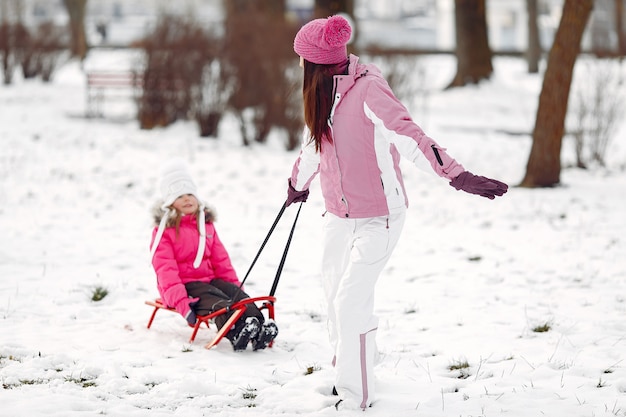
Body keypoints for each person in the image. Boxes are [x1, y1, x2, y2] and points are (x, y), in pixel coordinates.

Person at [285, 15, 508, 410]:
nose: (298, 64)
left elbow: (409, 137)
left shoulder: (368, 89)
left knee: (350, 301)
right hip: (337, 216)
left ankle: (354, 397)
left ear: (317, 61)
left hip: (380, 216)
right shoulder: (323, 95)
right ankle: (351, 366)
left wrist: (457, 175)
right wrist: (296, 184)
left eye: (302, 57)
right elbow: (315, 147)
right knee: (335, 293)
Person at [150, 159, 278, 351]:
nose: (187, 199)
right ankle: (236, 332)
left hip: (210, 279)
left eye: (190, 194)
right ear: (169, 203)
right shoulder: (164, 231)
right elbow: (165, 270)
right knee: (219, 302)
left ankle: (257, 326)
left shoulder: (206, 225)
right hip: (185, 286)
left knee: (239, 297)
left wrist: (234, 287)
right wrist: (182, 303)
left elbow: (221, 260)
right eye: (180, 196)